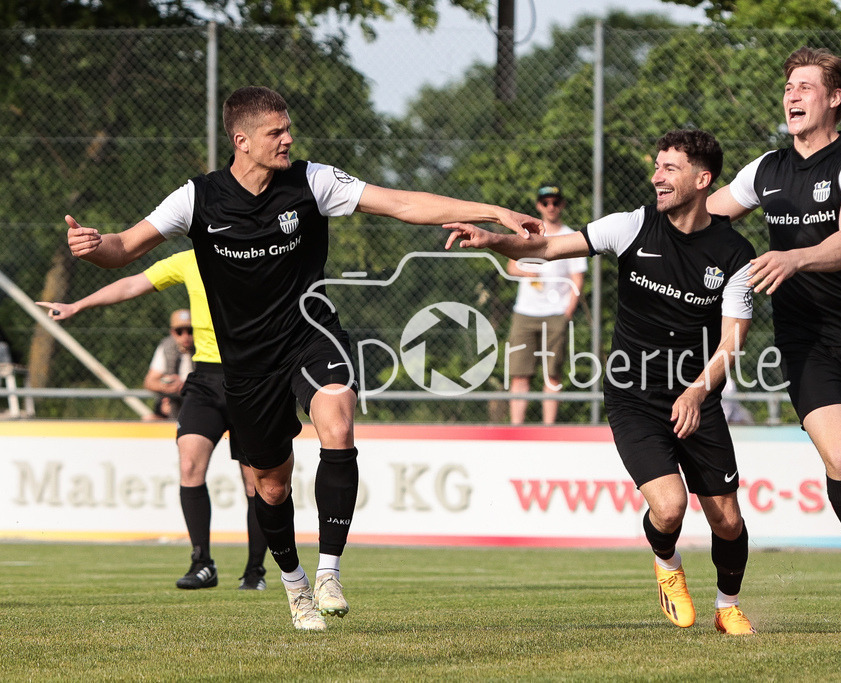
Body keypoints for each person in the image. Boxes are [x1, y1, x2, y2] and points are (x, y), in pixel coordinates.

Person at [63, 85, 541, 631]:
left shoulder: (313, 182)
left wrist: (495, 211)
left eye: (288, 129)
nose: (289, 139)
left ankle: (331, 570)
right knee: (271, 484)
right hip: (246, 363)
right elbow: (122, 248)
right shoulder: (195, 199)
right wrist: (93, 246)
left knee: (337, 417)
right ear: (241, 141)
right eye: (276, 132)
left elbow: (401, 202)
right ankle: (295, 587)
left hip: (310, 333)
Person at [446, 129, 758, 635]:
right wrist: (493, 239)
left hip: (696, 398)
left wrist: (699, 390)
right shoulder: (631, 226)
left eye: (670, 168)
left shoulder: (735, 254)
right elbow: (547, 247)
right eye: (656, 166)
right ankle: (667, 566)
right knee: (671, 507)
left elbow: (732, 341)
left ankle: (727, 606)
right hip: (633, 396)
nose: (657, 176)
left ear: (703, 180)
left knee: (727, 520)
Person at [706, 46, 841, 633]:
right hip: (806, 342)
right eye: (788, 86)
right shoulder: (764, 171)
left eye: (805, 87)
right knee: (840, 456)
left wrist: (793, 259)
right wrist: (643, 228)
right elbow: (704, 218)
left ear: (835, 97)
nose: (791, 96)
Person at [37, 250, 270, 591]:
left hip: (252, 379)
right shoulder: (189, 259)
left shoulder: (257, 254)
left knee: (257, 483)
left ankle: (255, 571)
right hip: (205, 381)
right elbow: (132, 284)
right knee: (190, 464)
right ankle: (202, 562)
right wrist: (77, 305)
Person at [506, 183, 587, 425]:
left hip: (555, 314)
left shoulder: (572, 236)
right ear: (538, 206)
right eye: (545, 202)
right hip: (525, 312)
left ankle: (548, 429)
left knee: (552, 374)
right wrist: (527, 273)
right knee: (519, 374)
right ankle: (515, 428)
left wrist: (567, 313)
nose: (550, 206)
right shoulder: (526, 235)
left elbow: (578, 279)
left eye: (555, 202)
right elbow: (511, 266)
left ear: (561, 204)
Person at [143, 308, 194, 420]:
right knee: (149, 419)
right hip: (171, 404)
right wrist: (166, 386)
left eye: (190, 331)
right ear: (173, 333)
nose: (185, 336)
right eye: (180, 331)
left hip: (195, 403)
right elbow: (149, 382)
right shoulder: (166, 347)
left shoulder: (204, 349)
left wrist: (184, 386)